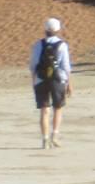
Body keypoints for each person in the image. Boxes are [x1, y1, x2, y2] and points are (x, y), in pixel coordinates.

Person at [29, 18, 73, 150]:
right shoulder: (62, 45)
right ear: (58, 30)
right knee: (58, 108)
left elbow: (33, 65)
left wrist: (34, 81)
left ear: (45, 29)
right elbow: (65, 66)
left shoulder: (38, 44)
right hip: (58, 80)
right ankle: (55, 135)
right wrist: (69, 83)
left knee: (44, 110)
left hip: (41, 79)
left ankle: (45, 140)